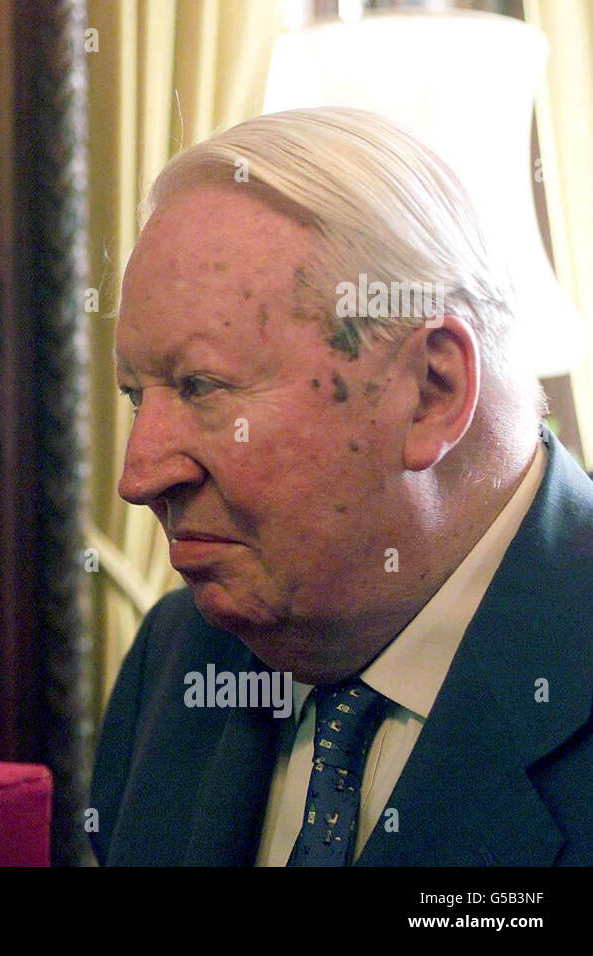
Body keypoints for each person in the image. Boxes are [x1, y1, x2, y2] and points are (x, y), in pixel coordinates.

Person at [92, 106, 593, 866]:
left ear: (430, 390)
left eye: (201, 387)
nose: (139, 476)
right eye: (137, 396)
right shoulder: (176, 659)